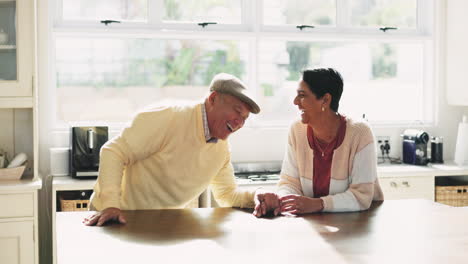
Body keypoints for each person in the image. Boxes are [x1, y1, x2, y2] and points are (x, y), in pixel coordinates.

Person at [84, 73, 264, 226]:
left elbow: (226, 194)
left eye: (245, 118)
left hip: (160, 225)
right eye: (237, 111)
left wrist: (256, 195)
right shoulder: (168, 116)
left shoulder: (221, 149)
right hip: (114, 217)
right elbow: (113, 152)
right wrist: (110, 205)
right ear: (213, 99)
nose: (239, 122)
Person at [253, 68, 383, 217]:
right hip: (316, 223)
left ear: (325, 100)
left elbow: (361, 197)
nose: (295, 102)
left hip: (360, 222)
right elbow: (289, 183)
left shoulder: (360, 133)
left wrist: (318, 204)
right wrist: (283, 202)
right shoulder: (297, 130)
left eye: (302, 96)